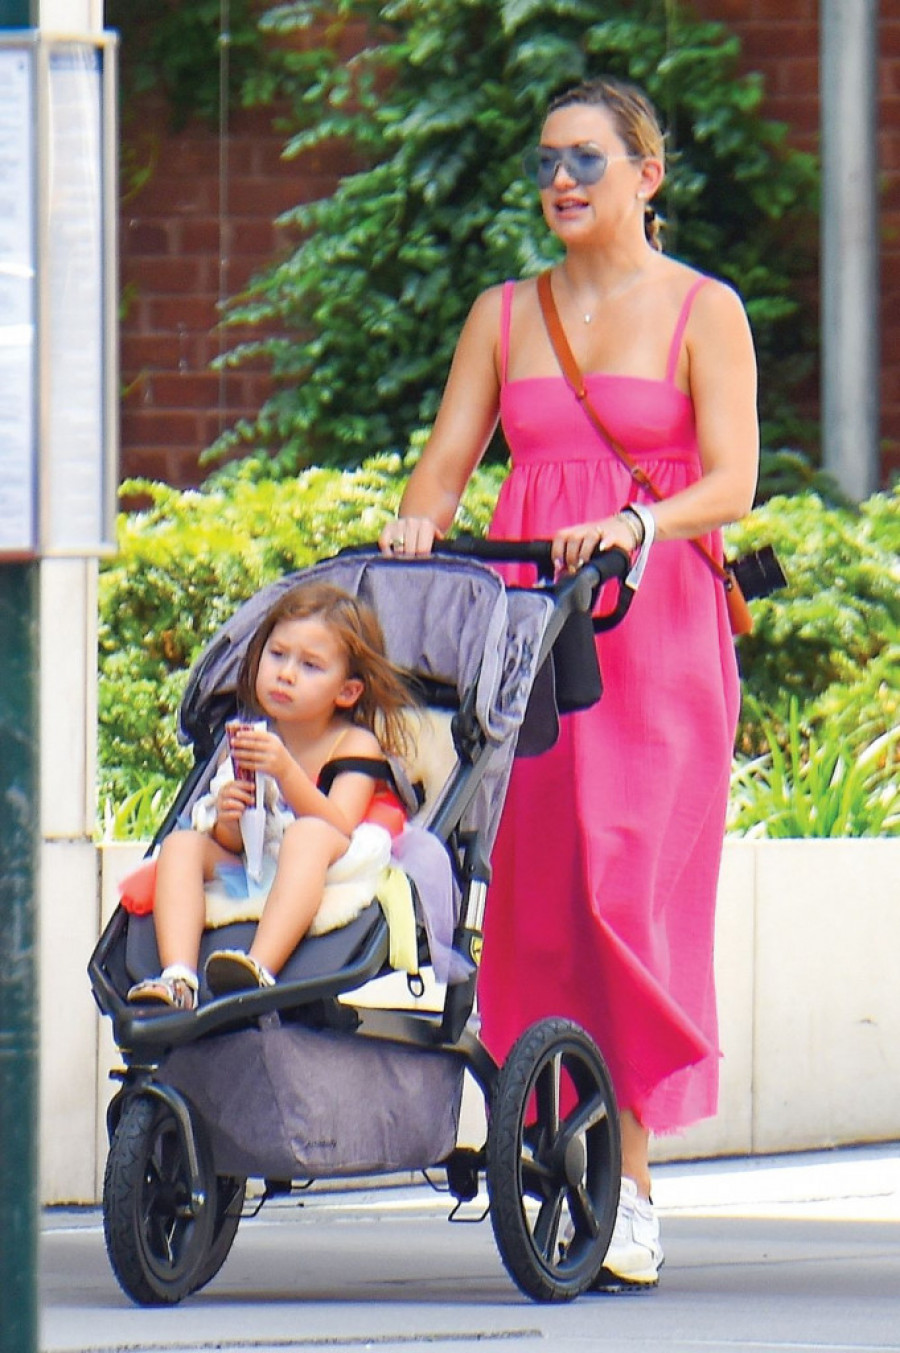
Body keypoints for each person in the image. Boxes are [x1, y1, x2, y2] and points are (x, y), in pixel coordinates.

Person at [378, 75, 759, 1289]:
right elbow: (447, 463)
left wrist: (641, 523)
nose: (560, 180)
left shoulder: (704, 309)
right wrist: (416, 522)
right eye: (547, 160)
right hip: (532, 630)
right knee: (541, 897)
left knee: (624, 894)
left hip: (653, 625)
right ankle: (557, 1150)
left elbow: (734, 480)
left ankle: (630, 1180)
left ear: (648, 175)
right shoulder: (504, 315)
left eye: (587, 159)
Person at [127, 581, 414, 1010]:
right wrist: (229, 818)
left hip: (328, 859)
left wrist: (285, 771)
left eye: (310, 666)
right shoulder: (248, 735)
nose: (286, 674)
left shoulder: (354, 742)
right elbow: (232, 844)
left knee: (307, 834)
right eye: (277, 655)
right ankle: (178, 978)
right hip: (261, 859)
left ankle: (258, 965)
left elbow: (339, 825)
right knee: (182, 844)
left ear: (347, 691)